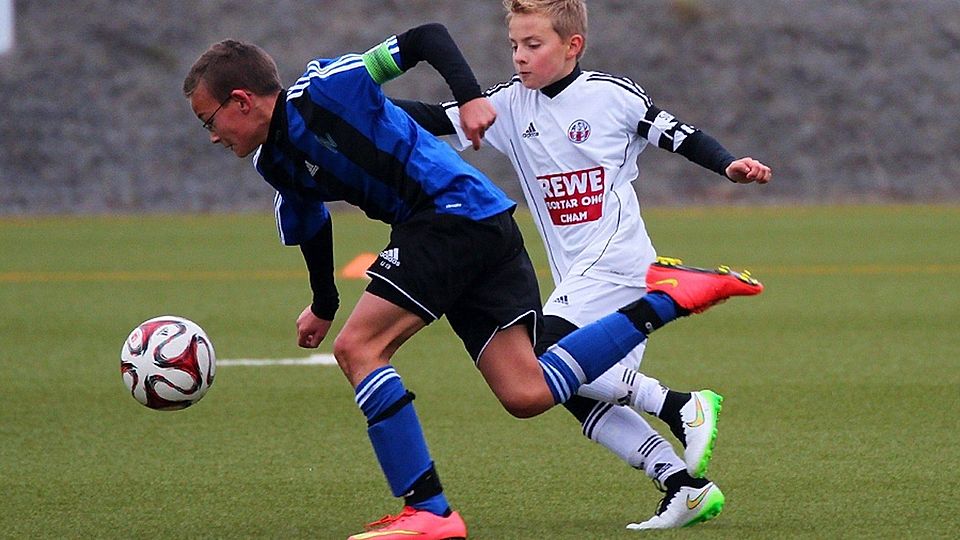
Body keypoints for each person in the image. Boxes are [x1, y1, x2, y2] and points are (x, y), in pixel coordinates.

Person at [183, 23, 763, 540]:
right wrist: (323, 303)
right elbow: (311, 221)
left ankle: (429, 510)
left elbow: (425, 38)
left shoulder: (327, 88)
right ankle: (667, 299)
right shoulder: (274, 162)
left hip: (448, 214)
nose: (211, 136)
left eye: (209, 120)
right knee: (527, 392)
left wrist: (469, 98)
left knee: (360, 349)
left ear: (241, 101)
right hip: (480, 228)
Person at [391, 0, 772, 531]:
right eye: (514, 46)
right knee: (561, 388)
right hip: (575, 272)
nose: (520, 58)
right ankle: (682, 485)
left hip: (618, 258)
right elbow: (433, 119)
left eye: (534, 45)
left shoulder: (611, 96)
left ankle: (680, 403)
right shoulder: (509, 106)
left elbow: (678, 133)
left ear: (573, 46)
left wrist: (728, 163)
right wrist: (357, 105)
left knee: (538, 357)